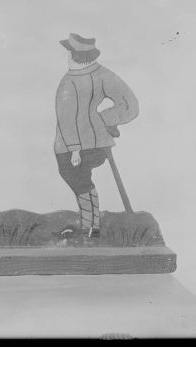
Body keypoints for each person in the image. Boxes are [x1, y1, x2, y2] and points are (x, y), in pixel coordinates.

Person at [55, 33, 139, 238]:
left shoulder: (69, 81)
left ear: (76, 56)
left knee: (78, 180)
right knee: (84, 181)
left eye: (69, 53)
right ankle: (93, 226)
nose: (66, 57)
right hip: (97, 145)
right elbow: (130, 105)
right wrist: (104, 120)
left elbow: (66, 118)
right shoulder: (102, 74)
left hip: (71, 147)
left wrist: (75, 147)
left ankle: (89, 225)